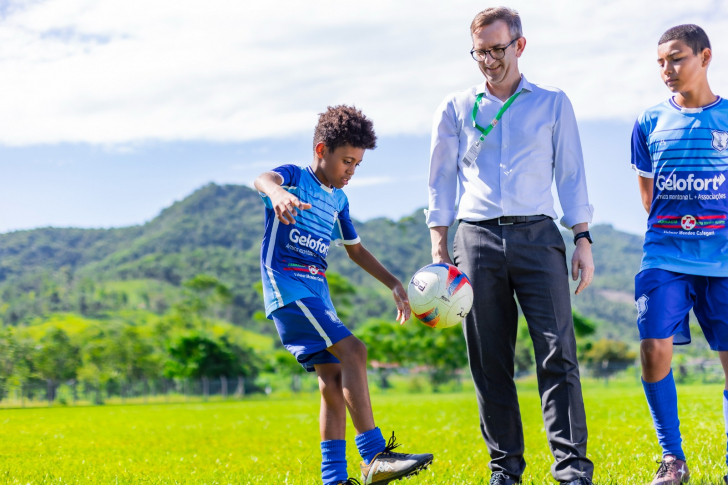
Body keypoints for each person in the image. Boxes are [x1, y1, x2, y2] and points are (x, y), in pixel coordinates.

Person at [426, 7, 595, 485]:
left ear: (520, 45)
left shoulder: (552, 103)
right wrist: (439, 243)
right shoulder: (456, 107)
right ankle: (505, 470)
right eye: (480, 52)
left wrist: (581, 237)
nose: (489, 61)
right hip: (475, 239)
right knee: (488, 359)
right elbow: (439, 178)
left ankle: (572, 470)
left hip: (540, 236)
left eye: (497, 50)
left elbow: (572, 174)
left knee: (557, 352)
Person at [254, 105, 433, 485]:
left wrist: (394, 283)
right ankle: (374, 456)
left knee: (333, 380)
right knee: (355, 351)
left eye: (357, 164)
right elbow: (263, 178)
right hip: (288, 287)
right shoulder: (294, 178)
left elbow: (355, 249)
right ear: (321, 150)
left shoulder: (338, 201)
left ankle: (334, 479)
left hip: (316, 292)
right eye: (346, 161)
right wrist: (275, 194)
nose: (351, 170)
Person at [631, 24, 728, 485]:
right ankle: (673, 461)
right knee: (653, 351)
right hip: (664, 256)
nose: (667, 70)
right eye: (661, 62)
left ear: (704, 56)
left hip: (724, 261)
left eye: (677, 58)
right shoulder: (648, 121)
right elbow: (648, 194)